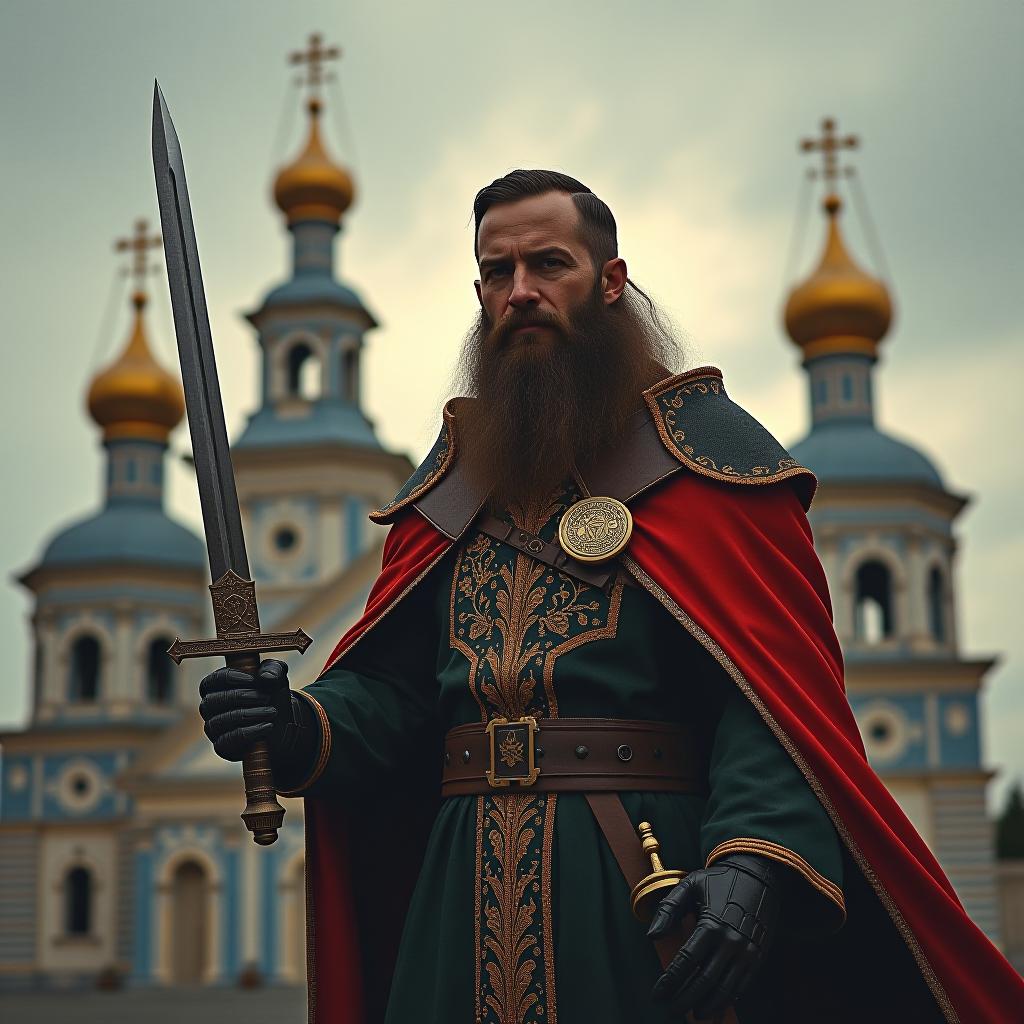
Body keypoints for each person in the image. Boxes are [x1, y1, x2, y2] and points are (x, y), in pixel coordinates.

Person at [199, 170, 1022, 1023]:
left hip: (645, 886)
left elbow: (773, 705)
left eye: (548, 263)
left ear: (612, 281)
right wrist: (299, 723)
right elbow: (397, 693)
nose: (520, 292)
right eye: (497, 271)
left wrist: (751, 861)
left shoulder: (710, 463)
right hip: (458, 890)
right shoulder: (450, 488)